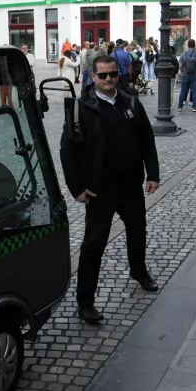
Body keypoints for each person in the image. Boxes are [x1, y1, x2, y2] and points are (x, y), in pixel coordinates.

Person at [60, 56, 160, 324]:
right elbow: (67, 151)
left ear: (119, 75)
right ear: (92, 77)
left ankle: (139, 271)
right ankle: (85, 302)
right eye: (102, 75)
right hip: (99, 189)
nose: (108, 80)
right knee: (93, 245)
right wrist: (76, 188)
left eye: (112, 75)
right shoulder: (81, 108)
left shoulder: (131, 101)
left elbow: (146, 139)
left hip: (130, 184)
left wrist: (153, 174)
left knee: (138, 232)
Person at [177, 39, 196, 112]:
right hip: (195, 75)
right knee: (194, 91)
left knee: (183, 91)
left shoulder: (183, 54)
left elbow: (180, 66)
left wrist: (183, 72)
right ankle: (194, 107)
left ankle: (180, 107)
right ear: (194, 45)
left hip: (186, 75)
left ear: (188, 45)